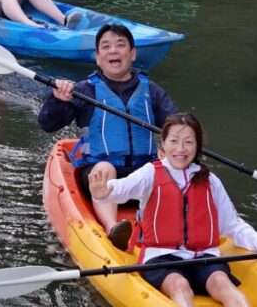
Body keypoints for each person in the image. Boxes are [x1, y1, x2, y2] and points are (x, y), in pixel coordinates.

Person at [89, 112, 257, 307]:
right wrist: (104, 191)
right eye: (174, 141)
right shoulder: (149, 173)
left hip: (204, 258)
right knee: (180, 286)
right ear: (163, 144)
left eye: (188, 142)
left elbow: (233, 225)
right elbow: (122, 188)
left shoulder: (210, 181)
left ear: (197, 146)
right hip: (161, 258)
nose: (180, 149)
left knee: (222, 283)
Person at [38, 23, 176, 247]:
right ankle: (113, 228)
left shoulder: (151, 90)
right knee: (105, 169)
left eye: (121, 45)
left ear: (132, 54)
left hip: (142, 174)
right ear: (97, 57)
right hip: (99, 175)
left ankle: (171, 232)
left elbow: (175, 127)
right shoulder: (84, 90)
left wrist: (186, 147)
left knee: (171, 172)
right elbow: (47, 124)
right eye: (106, 46)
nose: (113, 50)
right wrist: (57, 100)